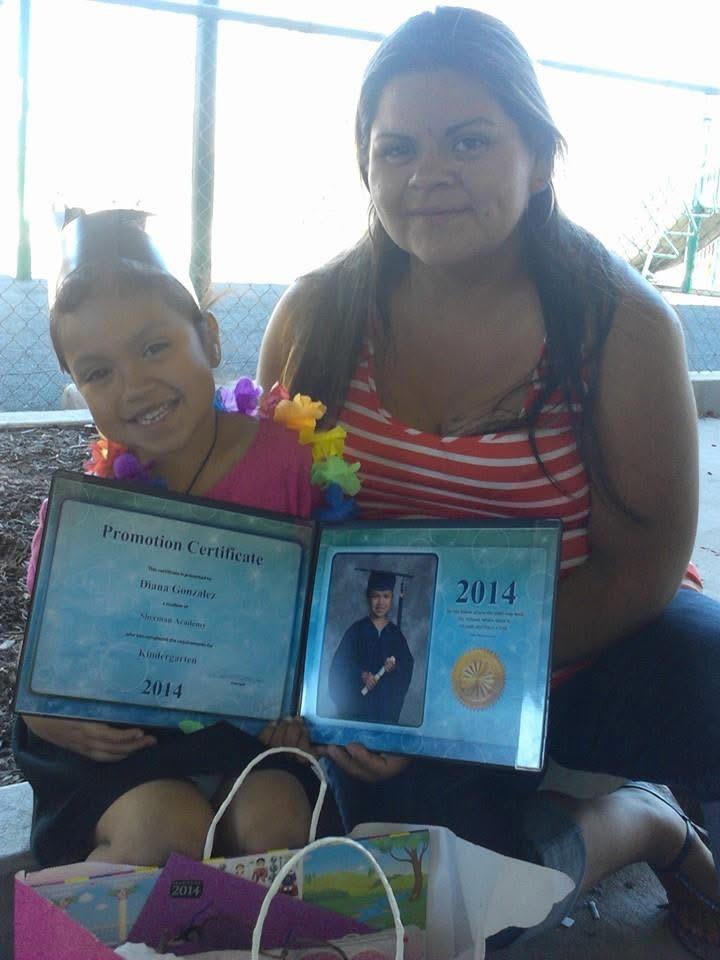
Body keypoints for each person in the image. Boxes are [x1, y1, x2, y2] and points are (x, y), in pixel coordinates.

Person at [257, 7, 720, 953]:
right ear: (367, 168)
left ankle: (654, 811)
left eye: (471, 140)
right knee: (445, 914)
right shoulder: (318, 316)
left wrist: (456, 688)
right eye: (397, 149)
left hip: (586, 652)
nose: (429, 173)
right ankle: (638, 827)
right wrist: (343, 694)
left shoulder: (619, 326)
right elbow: (276, 527)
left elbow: (640, 569)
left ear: (541, 157)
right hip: (391, 675)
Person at [13, 209, 340, 869]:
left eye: (154, 347)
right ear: (77, 389)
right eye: (98, 372)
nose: (134, 385)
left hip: (255, 734)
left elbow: (340, 609)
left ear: (211, 340)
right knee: (166, 831)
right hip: (127, 742)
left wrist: (307, 708)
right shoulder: (91, 510)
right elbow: (45, 662)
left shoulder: (289, 467)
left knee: (275, 826)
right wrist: (50, 716)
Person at [328, 570, 413, 724]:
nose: (381, 602)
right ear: (368, 597)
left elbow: (407, 667)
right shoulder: (356, 631)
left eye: (386, 596)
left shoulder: (396, 636)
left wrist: (395, 667)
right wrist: (361, 675)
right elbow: (340, 665)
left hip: (384, 714)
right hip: (356, 712)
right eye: (375, 596)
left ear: (392, 598)